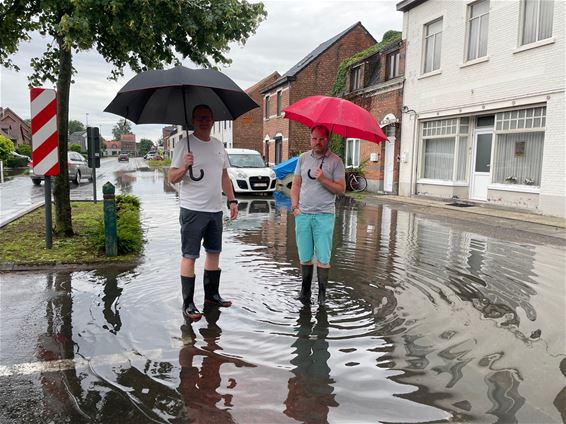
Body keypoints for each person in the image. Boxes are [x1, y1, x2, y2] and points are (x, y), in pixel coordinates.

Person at [169, 104, 238, 321]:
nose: (203, 121)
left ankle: (211, 295)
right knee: (189, 255)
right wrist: (184, 167)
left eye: (207, 118)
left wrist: (232, 200)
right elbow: (172, 177)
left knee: (214, 252)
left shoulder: (218, 145)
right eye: (199, 118)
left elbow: (224, 176)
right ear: (193, 120)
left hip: (215, 210)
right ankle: (188, 304)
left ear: (213, 121)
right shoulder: (184, 145)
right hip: (192, 209)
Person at [290, 125, 345, 305]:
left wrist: (323, 179)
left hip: (324, 216)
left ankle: (322, 296)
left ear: (327, 139)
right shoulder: (303, 158)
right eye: (314, 138)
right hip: (303, 215)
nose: (317, 142)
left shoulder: (336, 161)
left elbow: (341, 190)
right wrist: (295, 207)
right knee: (305, 256)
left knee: (323, 257)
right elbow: (296, 184)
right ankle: (305, 293)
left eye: (321, 139)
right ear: (310, 139)